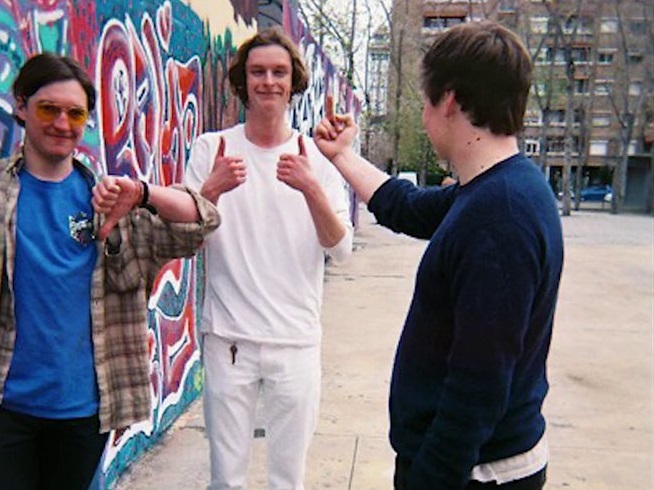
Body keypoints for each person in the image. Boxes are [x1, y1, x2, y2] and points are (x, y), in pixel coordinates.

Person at [314, 21, 563, 490]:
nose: (425, 116)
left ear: (448, 100)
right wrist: (342, 155)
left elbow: (479, 388)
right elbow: (407, 207)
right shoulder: (496, 189)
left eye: (425, 103)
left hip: (475, 473)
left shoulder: (500, 216)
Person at [0, 52, 220, 490]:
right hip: (8, 406)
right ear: (21, 106)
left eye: (75, 113)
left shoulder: (109, 203)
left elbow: (202, 221)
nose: (62, 123)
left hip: (83, 410)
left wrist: (141, 192)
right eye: (48, 109)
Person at [183, 27, 353, 489]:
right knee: (226, 479)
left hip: (295, 341)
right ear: (243, 81)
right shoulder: (211, 149)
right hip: (228, 340)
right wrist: (212, 189)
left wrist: (311, 189)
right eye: (257, 72)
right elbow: (184, 239)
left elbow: (340, 250)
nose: (269, 82)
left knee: (287, 479)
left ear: (294, 81)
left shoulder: (316, 158)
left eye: (279, 72)